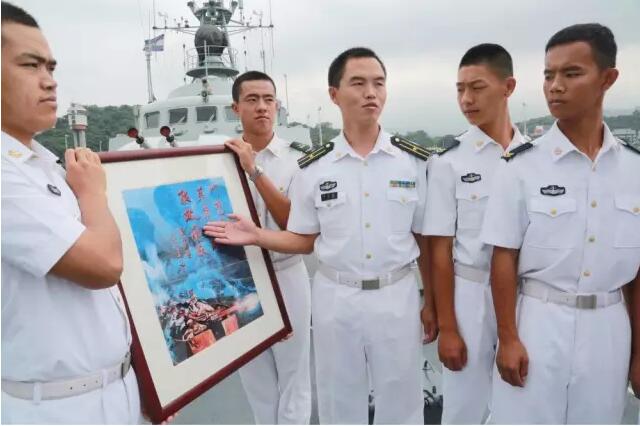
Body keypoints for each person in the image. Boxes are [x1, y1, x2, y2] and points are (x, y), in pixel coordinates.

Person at [204, 47, 438, 424]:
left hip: (397, 295)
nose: (370, 93)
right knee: (338, 401)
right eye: (358, 83)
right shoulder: (315, 167)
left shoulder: (414, 162)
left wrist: (433, 304)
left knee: (402, 401)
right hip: (336, 298)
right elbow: (302, 238)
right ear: (334, 94)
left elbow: (426, 239)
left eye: (378, 83)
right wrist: (256, 235)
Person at [480, 23, 640, 423]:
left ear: (608, 79)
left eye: (571, 73)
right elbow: (503, 257)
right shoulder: (520, 166)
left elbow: (637, 273)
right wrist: (508, 337)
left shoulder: (633, 169)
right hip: (539, 320)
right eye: (549, 75)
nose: (555, 86)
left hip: (608, 327)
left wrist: (639, 351)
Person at [1, 2, 140, 423]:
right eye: (30, 65)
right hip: (56, 405)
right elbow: (103, 265)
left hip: (117, 386)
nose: (50, 81)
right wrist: (93, 193)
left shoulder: (43, 165)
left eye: (51, 67)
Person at [423, 43, 526, 424]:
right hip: (470, 294)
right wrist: (448, 326)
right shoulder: (449, 162)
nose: (466, 99)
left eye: (477, 87)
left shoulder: (533, 158)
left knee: (522, 401)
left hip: (526, 296)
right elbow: (439, 250)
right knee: (464, 406)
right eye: (460, 89)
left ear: (508, 87)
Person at [223, 70, 313, 424]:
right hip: (241, 280)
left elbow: (294, 222)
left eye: (268, 99)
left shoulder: (298, 160)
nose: (262, 107)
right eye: (252, 100)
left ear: (277, 105)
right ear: (236, 108)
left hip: (285, 273)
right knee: (256, 379)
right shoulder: (218, 158)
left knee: (294, 377)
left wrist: (254, 170)